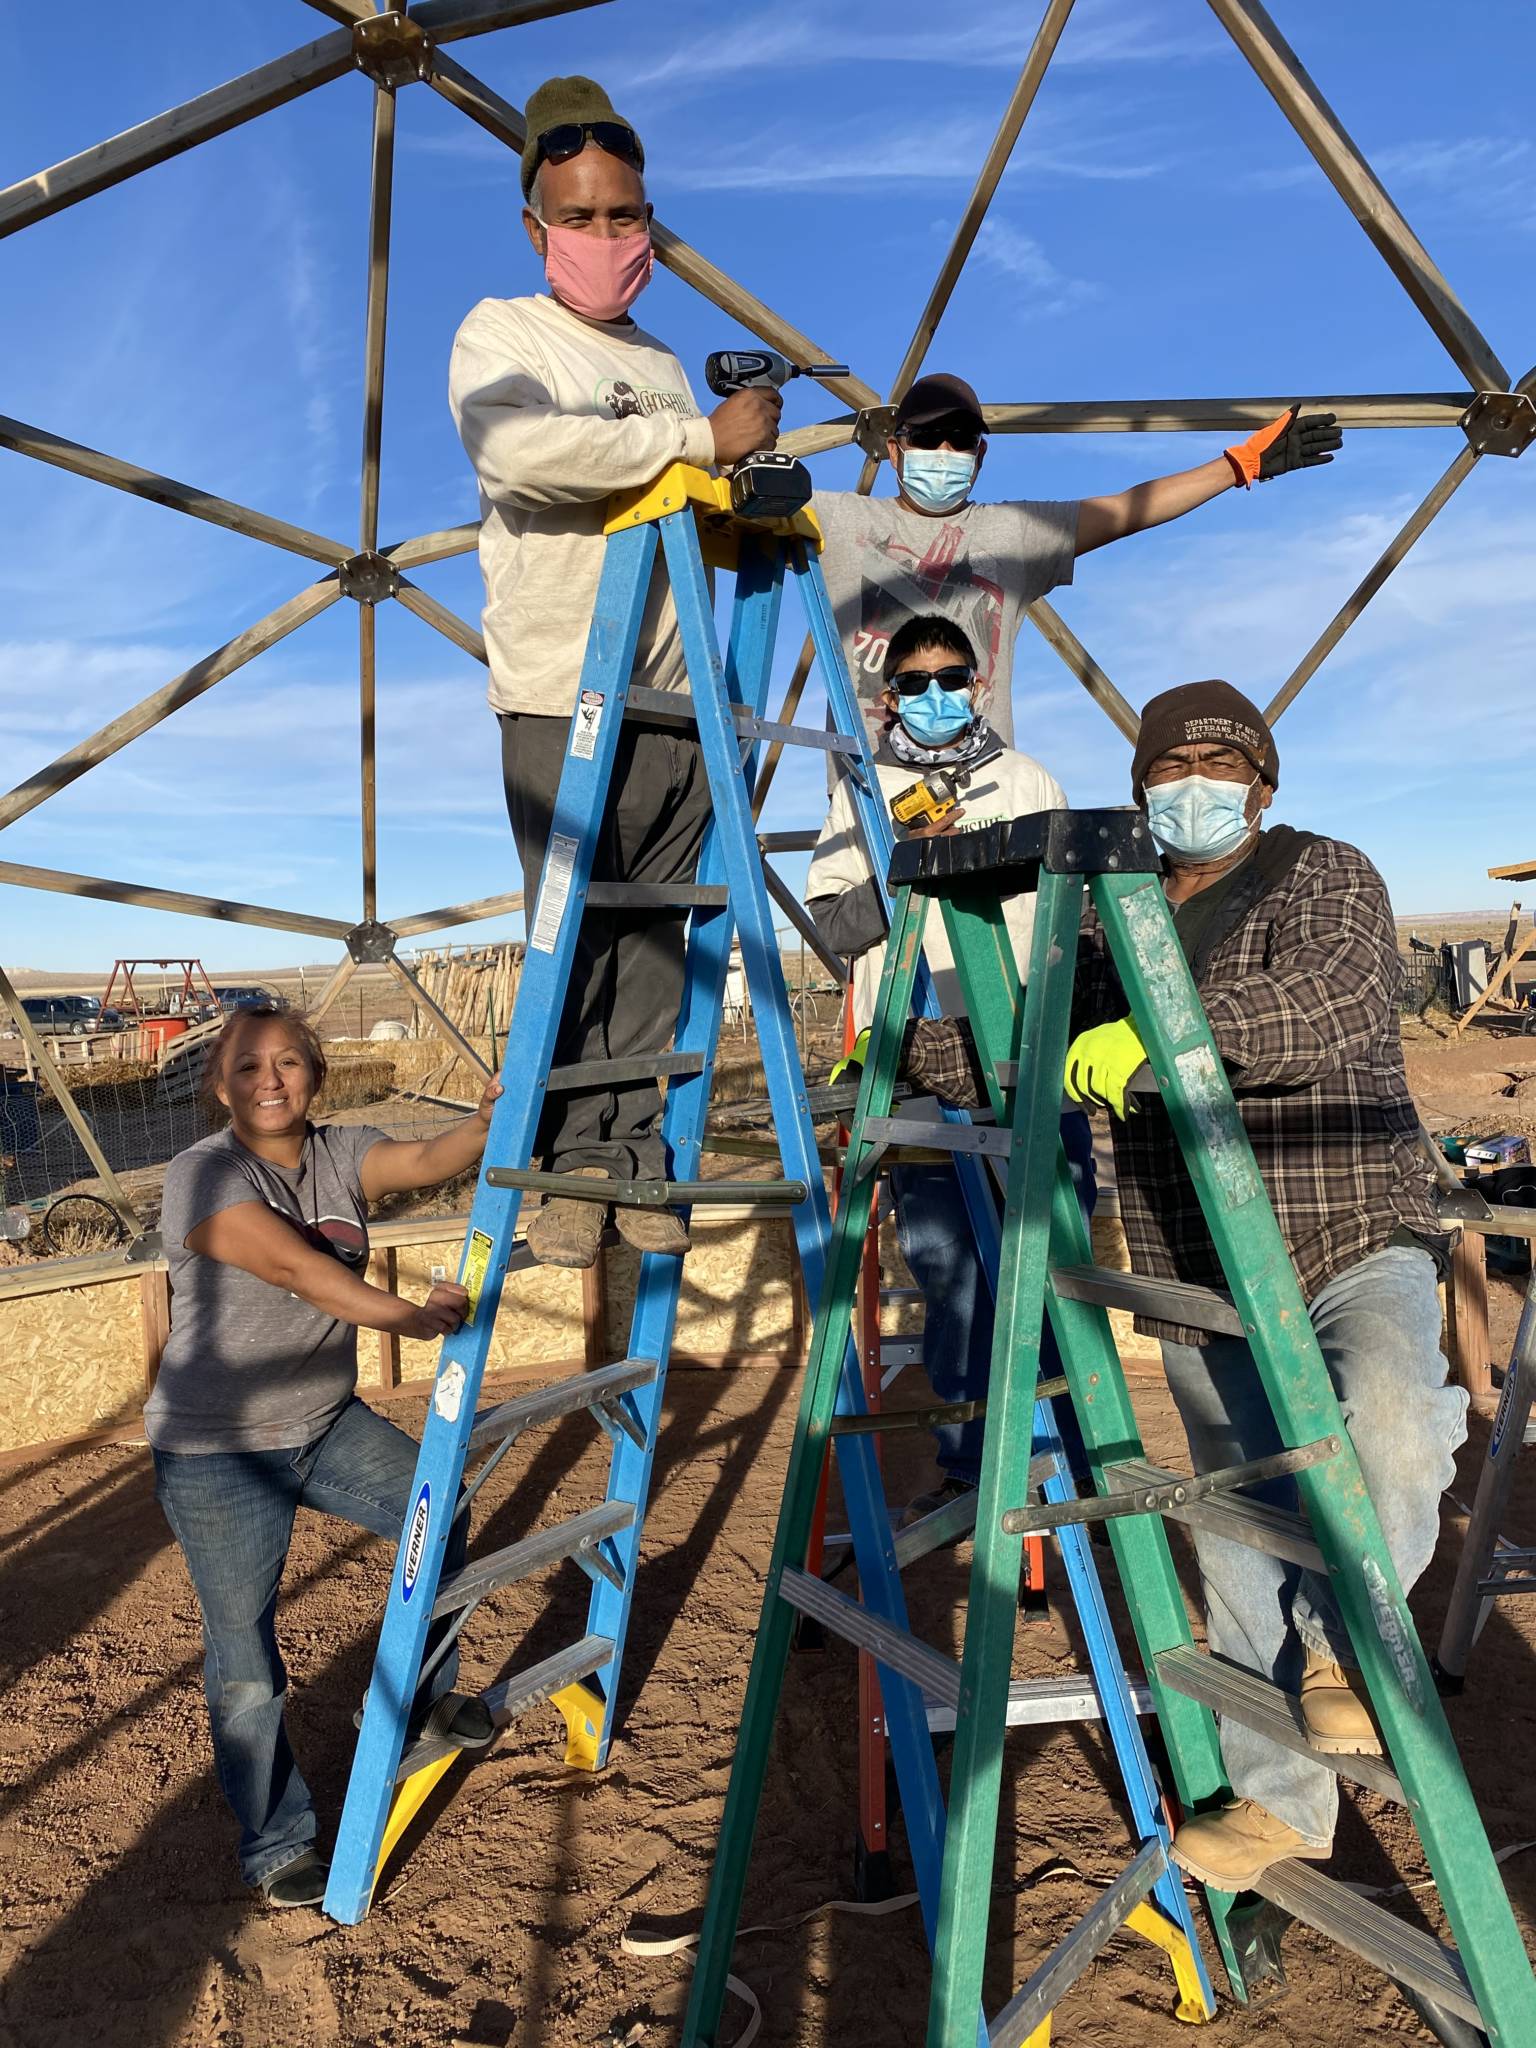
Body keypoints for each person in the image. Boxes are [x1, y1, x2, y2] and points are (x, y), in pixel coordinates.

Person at [963, 678, 1464, 1891]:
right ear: (1143, 787)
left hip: (1346, 1226)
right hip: (1200, 1263)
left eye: (1220, 765)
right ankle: (1282, 1802)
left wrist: (1169, 1035)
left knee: (1394, 1425)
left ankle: (1345, 1639)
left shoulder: (1322, 873)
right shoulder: (1105, 924)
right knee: (1239, 1542)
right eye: (1172, 766)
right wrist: (907, 1047)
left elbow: (1331, 1004)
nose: (1196, 785)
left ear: (1263, 782)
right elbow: (1030, 1045)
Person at [448, 75, 780, 1271]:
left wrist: (741, 485)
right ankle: (569, 1163)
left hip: (676, 691)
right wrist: (697, 442)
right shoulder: (505, 334)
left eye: (624, 216)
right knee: (574, 924)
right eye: (578, 217)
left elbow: (680, 501)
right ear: (537, 225)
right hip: (560, 688)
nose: (604, 238)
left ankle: (633, 1152)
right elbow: (520, 452)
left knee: (654, 933)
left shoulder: (666, 361)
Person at [147, 1005, 505, 1908]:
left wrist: (485, 1122)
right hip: (219, 1452)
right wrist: (410, 1316)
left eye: (291, 1063)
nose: (271, 1081)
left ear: (318, 1073)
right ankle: (276, 1842)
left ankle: (424, 1695)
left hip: (324, 1421)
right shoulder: (202, 1174)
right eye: (248, 1067)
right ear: (216, 1084)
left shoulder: (342, 1153)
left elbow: (423, 1163)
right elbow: (298, 1271)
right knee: (243, 1656)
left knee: (438, 1513)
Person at [806, 613, 1094, 1514]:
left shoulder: (1027, 779)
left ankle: (1066, 1464)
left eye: (953, 677)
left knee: (1053, 1264)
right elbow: (828, 928)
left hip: (1026, 1053)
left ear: (975, 683)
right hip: (921, 1065)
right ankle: (976, 1468)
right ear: (890, 698)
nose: (938, 695)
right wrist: (906, 869)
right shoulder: (865, 795)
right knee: (951, 1273)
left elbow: (1075, 914)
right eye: (918, 681)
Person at [816, 372, 1342, 752]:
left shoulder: (1011, 532)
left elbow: (1127, 509)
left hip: (985, 792)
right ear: (895, 449)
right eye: (928, 438)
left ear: (979, 456)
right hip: (869, 794)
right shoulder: (838, 520)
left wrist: (1237, 466)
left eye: (961, 440)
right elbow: (738, 501)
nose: (945, 450)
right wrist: (728, 441)